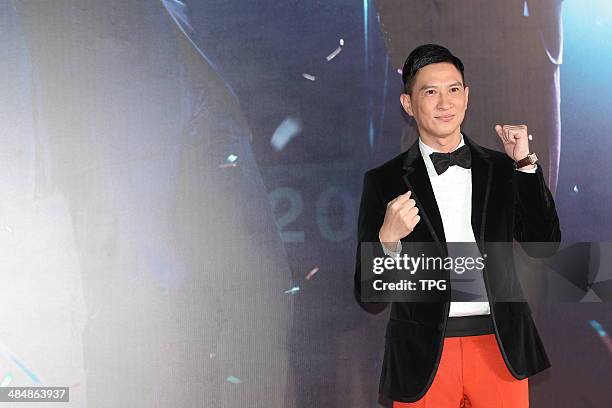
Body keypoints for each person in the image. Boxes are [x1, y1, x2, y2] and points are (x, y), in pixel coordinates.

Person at [354, 44, 561, 407]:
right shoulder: (383, 181)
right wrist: (387, 240)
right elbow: (370, 299)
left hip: (499, 347)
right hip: (423, 355)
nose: (444, 103)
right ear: (408, 104)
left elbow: (543, 245)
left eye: (453, 90)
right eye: (430, 92)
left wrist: (526, 164)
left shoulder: (503, 169)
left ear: (466, 97)